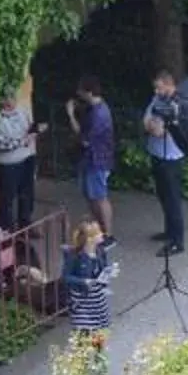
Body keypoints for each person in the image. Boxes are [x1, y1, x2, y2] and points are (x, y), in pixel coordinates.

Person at [67, 77, 117, 237]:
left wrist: (71, 116)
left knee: (100, 197)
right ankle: (99, 229)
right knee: (92, 196)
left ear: (88, 92)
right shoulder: (97, 108)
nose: (78, 94)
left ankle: (107, 233)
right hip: (94, 160)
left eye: (81, 91)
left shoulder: (98, 114)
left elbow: (84, 139)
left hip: (97, 161)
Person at [143, 71, 187, 255]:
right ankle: (169, 230)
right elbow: (146, 122)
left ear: (169, 85)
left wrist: (154, 126)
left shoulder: (177, 104)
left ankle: (178, 241)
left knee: (172, 199)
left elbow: (160, 132)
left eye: (159, 87)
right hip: (157, 153)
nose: (156, 90)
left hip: (171, 157)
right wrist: (152, 125)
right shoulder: (157, 99)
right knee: (162, 195)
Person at [0, 85, 39, 231]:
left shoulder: (22, 111)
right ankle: (7, 229)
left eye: (12, 97)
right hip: (7, 163)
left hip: (27, 157)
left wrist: (34, 132)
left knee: (27, 193)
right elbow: (1, 143)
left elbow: (29, 129)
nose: (10, 101)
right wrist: (23, 140)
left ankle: (26, 224)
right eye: (6, 98)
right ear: (0, 100)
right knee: (7, 198)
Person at [61, 220, 115, 332]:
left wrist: (109, 273)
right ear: (89, 239)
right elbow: (66, 277)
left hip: (98, 297)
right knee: (84, 330)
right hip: (82, 298)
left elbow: (103, 268)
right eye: (98, 233)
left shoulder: (100, 251)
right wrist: (83, 281)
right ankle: (83, 348)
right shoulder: (75, 256)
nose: (102, 234)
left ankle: (98, 348)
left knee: (99, 331)